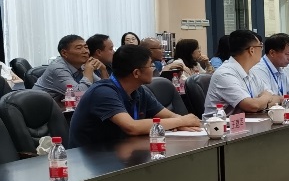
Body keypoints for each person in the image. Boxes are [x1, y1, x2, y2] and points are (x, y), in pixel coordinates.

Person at [67, 44, 201, 148]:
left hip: (122, 151)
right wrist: (181, 121)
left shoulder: (139, 91)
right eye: (150, 65)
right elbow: (132, 127)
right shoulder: (103, 92)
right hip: (91, 160)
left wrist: (182, 122)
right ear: (136, 73)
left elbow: (170, 116)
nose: (153, 69)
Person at [204, 29, 285, 116]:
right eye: (260, 46)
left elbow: (275, 98)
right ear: (251, 50)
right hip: (221, 123)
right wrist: (266, 97)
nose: (262, 51)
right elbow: (252, 106)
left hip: (249, 121)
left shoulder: (251, 71)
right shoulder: (225, 74)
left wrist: (262, 101)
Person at [35, 34, 108, 101]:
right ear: (64, 53)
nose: (86, 51)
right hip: (40, 107)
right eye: (79, 48)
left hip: (64, 107)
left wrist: (103, 70)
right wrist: (88, 71)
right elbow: (79, 96)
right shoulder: (58, 68)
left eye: (86, 47)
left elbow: (105, 90)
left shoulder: (82, 65)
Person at [249, 33, 289, 102]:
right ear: (272, 53)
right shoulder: (259, 69)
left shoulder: (279, 68)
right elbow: (271, 98)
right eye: (287, 54)